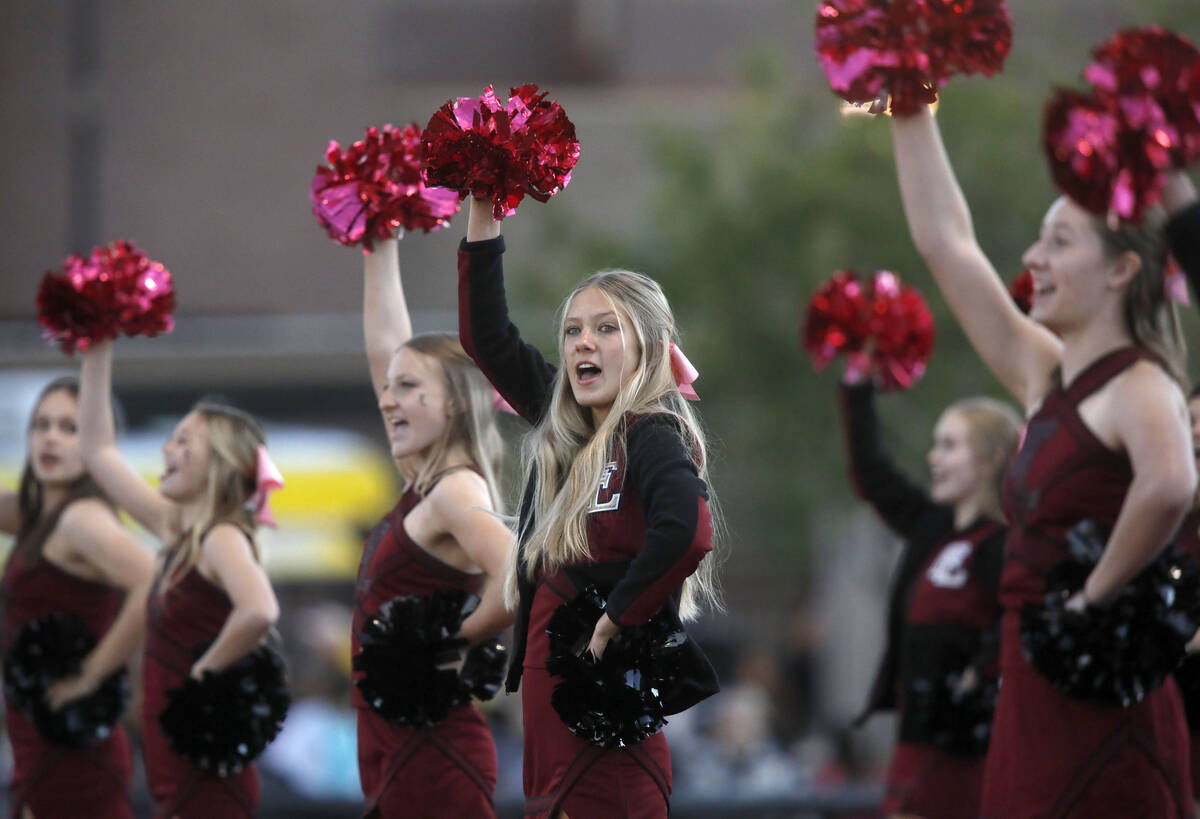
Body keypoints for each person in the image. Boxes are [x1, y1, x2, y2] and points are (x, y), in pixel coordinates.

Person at [888, 105, 1196, 817]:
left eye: (1058, 242)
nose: (1033, 259)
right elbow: (946, 242)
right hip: (1030, 687)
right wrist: (908, 100)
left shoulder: (1141, 382)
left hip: (1102, 695)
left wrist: (1093, 596)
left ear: (1122, 268)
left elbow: (1171, 483)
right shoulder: (1044, 374)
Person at [458, 195, 721, 818]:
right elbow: (488, 341)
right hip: (553, 728)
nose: (584, 343)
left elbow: (689, 532)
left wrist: (618, 617)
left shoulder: (651, 433)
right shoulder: (568, 429)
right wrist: (484, 210)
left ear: (650, 348)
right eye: (573, 329)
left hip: (603, 718)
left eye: (607, 328)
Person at [78, 341, 281, 818]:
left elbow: (260, 610)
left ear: (221, 462)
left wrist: (201, 677)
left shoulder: (220, 536)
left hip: (203, 754)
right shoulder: (176, 529)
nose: (168, 448)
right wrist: (96, 345)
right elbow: (97, 451)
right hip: (172, 748)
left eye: (184, 440)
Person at [352, 232, 515, 817]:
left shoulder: (456, 488)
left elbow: (517, 571)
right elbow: (385, 348)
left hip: (436, 753)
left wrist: (457, 639)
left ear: (452, 403)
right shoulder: (420, 481)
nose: (389, 400)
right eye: (389, 389)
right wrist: (377, 240)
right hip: (395, 745)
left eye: (409, 388)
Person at [838, 368, 1020, 818]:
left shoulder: (1003, 543)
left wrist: (979, 673)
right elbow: (873, 474)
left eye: (950, 445)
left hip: (967, 744)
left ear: (992, 457)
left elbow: (1016, 619)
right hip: (914, 734)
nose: (934, 457)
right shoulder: (931, 527)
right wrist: (859, 383)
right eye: (937, 443)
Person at [0, 376, 154, 819]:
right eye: (41, 425)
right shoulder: (40, 515)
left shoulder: (82, 520)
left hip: (71, 749)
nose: (51, 437)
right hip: (38, 741)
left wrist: (92, 673)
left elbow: (153, 579)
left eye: (70, 429)